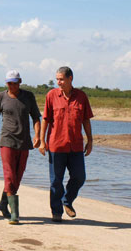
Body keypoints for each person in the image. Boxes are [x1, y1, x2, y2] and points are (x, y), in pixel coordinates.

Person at [0, 70, 41, 225]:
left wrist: (38, 136)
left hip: (24, 142)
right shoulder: (0, 97)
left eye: (15, 82)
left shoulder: (28, 96)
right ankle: (14, 214)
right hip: (7, 141)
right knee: (9, 175)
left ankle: (3, 203)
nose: (12, 85)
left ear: (20, 81)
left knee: (17, 178)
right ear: (6, 83)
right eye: (10, 83)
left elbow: (36, 117)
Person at [39, 66, 93, 222]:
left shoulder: (81, 96)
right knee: (56, 180)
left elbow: (86, 120)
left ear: (70, 79)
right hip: (56, 145)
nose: (58, 82)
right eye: (57, 79)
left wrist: (90, 141)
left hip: (75, 146)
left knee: (79, 177)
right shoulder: (51, 95)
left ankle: (67, 200)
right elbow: (45, 120)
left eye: (61, 79)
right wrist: (42, 141)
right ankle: (56, 212)